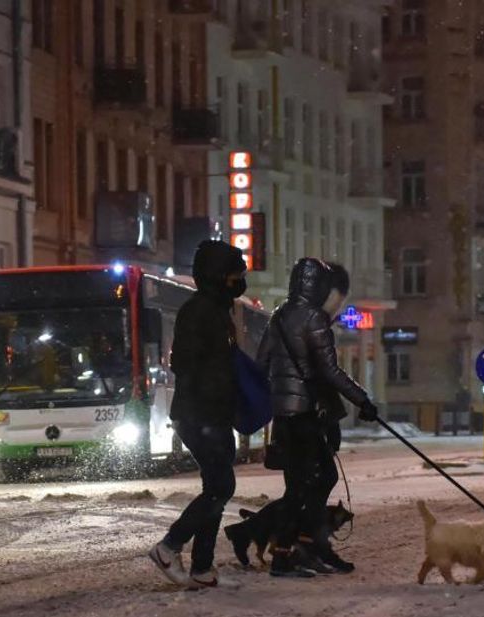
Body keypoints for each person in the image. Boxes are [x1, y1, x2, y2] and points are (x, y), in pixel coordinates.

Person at [227, 258, 377, 578]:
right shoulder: (315, 319)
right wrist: (362, 400)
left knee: (302, 483)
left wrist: (281, 392)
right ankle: (292, 552)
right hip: (307, 413)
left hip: (284, 416)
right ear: (319, 286)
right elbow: (329, 371)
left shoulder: (279, 316)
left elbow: (263, 361)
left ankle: (304, 545)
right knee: (317, 480)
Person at [148, 240, 248, 588]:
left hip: (209, 413)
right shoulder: (200, 311)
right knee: (221, 486)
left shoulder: (216, 310)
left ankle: (202, 568)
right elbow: (184, 362)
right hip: (199, 413)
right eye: (236, 274)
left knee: (216, 487)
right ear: (220, 276)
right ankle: (169, 546)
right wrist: (219, 385)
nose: (240, 280)